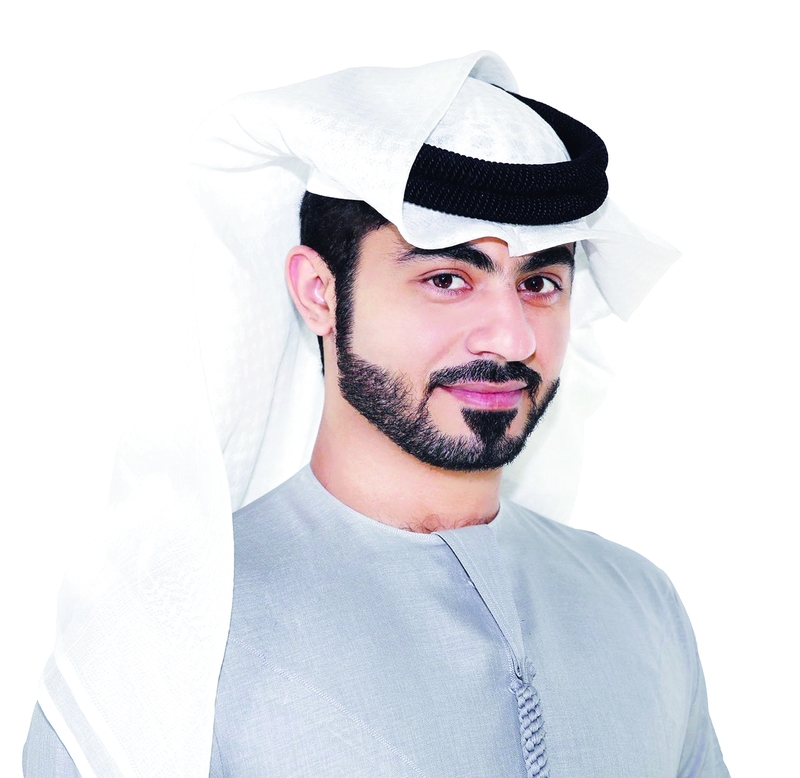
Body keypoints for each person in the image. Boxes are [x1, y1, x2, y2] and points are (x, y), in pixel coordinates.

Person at [23, 53, 729, 777]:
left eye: (541, 282)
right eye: (447, 279)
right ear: (319, 292)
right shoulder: (158, 640)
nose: (512, 338)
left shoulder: (641, 606)